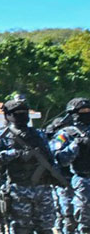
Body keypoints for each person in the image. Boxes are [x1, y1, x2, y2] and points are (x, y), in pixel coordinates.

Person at [0, 97, 62, 234]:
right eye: (16, 112)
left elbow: (50, 158)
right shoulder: (1, 136)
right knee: (21, 229)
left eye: (24, 111)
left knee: (46, 228)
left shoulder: (38, 134)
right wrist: (14, 154)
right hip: (18, 189)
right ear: (8, 115)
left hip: (42, 189)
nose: (21, 115)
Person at [51, 98, 90, 233]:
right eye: (82, 111)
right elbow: (60, 159)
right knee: (81, 222)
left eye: (88, 111)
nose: (86, 113)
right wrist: (77, 145)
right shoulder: (66, 134)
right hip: (79, 181)